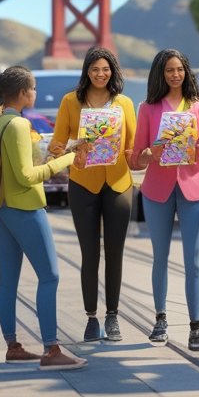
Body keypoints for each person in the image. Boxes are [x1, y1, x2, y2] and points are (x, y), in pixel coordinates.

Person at [0, 67, 87, 370]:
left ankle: (13, 346)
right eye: (34, 88)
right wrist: (68, 160)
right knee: (50, 276)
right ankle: (52, 349)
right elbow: (27, 176)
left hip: (1, 208)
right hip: (24, 207)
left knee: (8, 282)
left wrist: (54, 155)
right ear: (24, 93)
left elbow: (14, 166)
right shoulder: (16, 125)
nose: (36, 93)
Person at [48, 46, 137, 343]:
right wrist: (77, 148)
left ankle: (112, 316)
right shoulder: (70, 102)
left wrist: (147, 156)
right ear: (86, 71)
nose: (101, 74)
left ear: (113, 71)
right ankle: (91, 317)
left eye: (106, 69)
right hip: (83, 183)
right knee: (90, 253)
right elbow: (57, 146)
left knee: (115, 252)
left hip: (119, 183)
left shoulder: (124, 103)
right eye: (95, 69)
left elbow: (132, 148)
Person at [130, 49, 199, 350]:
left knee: (193, 261)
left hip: (193, 189)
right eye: (169, 70)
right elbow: (134, 159)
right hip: (157, 190)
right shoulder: (148, 109)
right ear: (160, 73)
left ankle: (195, 327)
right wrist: (148, 154)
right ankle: (160, 319)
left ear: (186, 71)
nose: (175, 74)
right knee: (160, 258)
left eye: (179, 69)